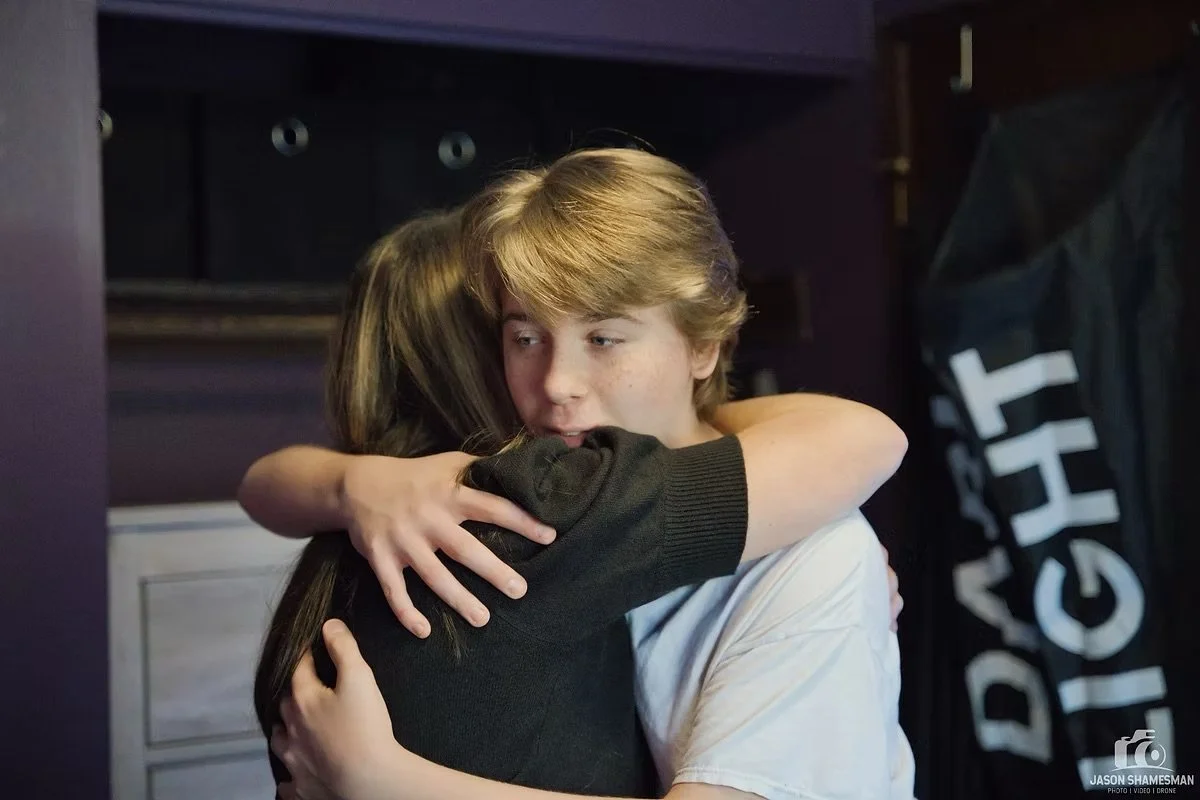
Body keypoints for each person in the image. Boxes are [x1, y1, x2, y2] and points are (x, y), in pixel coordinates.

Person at [251, 149, 911, 799]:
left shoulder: (816, 561)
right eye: (525, 337)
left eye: (604, 338)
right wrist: (357, 484)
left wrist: (385, 782)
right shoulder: (534, 512)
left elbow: (868, 440)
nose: (557, 384)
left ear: (704, 345)